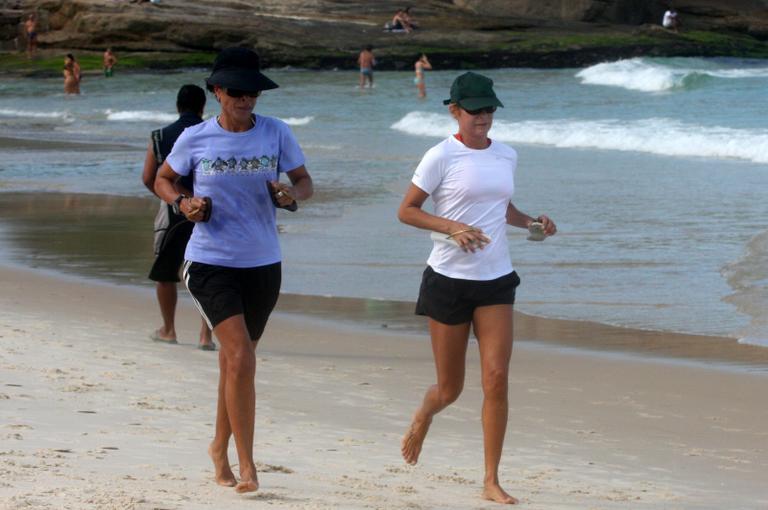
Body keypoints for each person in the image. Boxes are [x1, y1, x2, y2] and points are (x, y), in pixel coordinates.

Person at [154, 47, 313, 494]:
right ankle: (248, 465)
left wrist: (289, 194)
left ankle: (218, 448)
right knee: (241, 358)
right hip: (209, 262)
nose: (247, 101)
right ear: (218, 92)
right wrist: (184, 203)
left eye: (255, 93)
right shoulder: (196, 138)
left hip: (263, 262)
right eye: (239, 93)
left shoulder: (277, 133)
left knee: (234, 364)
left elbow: (305, 183)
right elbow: (162, 179)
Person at [397, 71, 556, 505]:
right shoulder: (440, 156)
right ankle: (425, 415)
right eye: (475, 110)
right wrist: (452, 227)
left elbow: (501, 207)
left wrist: (532, 223)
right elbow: (407, 211)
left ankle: (491, 479)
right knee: (450, 389)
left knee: (497, 378)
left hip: (496, 279)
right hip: (448, 280)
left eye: (489, 109)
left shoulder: (506, 155)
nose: (483, 117)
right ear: (455, 110)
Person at [141, 84, 214, 350]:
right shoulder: (213, 134)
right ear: (203, 106)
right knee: (207, 273)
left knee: (165, 272)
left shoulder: (159, 136)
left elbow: (149, 178)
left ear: (177, 106)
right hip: (208, 210)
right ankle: (205, 336)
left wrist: (169, 198)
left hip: (173, 210)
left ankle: (169, 330)